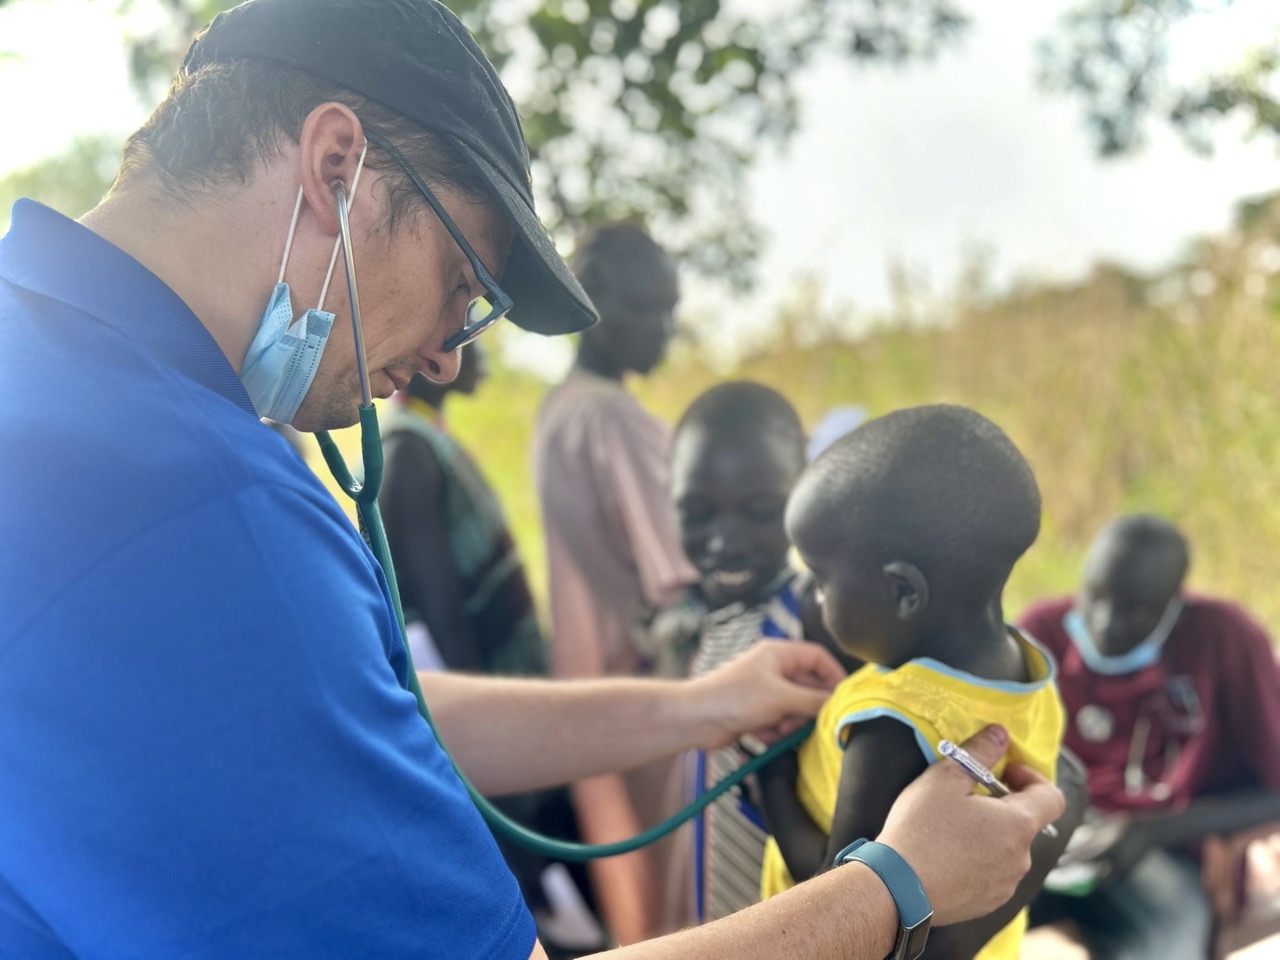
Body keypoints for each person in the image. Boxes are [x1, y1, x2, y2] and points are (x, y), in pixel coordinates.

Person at [0, 1, 1066, 958]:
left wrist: (693, 709)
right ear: (335, 167)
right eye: (462, 286)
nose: (449, 359)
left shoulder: (52, 371)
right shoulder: (195, 512)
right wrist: (893, 889)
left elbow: (362, 706)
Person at [759, 405, 1072, 960]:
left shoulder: (894, 723)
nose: (812, 597)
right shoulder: (1031, 673)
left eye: (823, 579)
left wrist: (773, 780)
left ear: (904, 593)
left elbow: (843, 896)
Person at [379, 346, 605, 954]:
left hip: (506, 694)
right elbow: (441, 607)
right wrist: (493, 719)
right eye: (463, 341)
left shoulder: (429, 439)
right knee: (533, 880)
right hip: (484, 716)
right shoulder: (407, 452)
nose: (471, 357)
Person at [532, 222, 698, 941]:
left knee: (635, 910)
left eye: (670, 310)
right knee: (677, 908)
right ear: (592, 298)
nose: (662, 330)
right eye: (644, 307)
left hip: (584, 696)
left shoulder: (557, 411)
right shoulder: (613, 419)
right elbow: (683, 573)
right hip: (646, 699)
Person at [1020, 514, 1280, 960]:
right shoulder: (1042, 633)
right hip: (1047, 837)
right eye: (1094, 597)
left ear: (1173, 604)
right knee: (955, 917)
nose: (1104, 623)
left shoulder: (1223, 640)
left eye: (1135, 610)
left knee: (1171, 944)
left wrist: (1153, 831)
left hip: (1166, 852)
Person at [661, 380, 860, 923]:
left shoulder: (812, 621)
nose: (726, 540)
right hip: (724, 909)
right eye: (699, 513)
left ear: (806, 495)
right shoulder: (714, 619)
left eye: (760, 511)